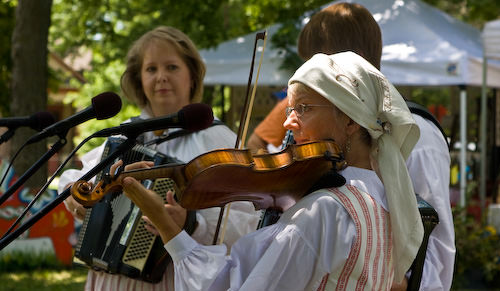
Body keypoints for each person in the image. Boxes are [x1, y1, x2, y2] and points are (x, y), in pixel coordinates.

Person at [115, 51, 424, 290]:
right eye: (289, 110)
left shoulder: (323, 212)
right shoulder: (384, 198)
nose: (288, 123)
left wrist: (169, 230)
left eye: (302, 108)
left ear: (350, 119)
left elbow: (232, 284)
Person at [248, 3, 456, 290]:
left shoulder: (420, 137)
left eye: (318, 62)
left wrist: (368, 275)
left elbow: (436, 252)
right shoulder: (314, 122)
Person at [58, 26, 260, 290]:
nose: (161, 77)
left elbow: (247, 226)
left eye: (172, 67)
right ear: (139, 79)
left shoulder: (218, 141)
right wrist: (74, 197)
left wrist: (191, 223)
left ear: (192, 76)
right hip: (110, 280)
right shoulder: (124, 136)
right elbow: (77, 178)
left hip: (176, 279)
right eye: (151, 69)